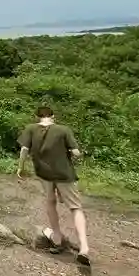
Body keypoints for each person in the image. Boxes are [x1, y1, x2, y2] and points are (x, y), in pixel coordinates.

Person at [17, 106, 91, 267]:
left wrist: (20, 167)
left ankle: (57, 238)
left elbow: (24, 149)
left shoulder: (30, 129)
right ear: (53, 116)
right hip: (64, 174)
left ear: (36, 116)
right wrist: (75, 153)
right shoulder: (63, 130)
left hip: (44, 173)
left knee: (50, 202)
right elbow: (76, 152)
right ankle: (84, 248)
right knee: (75, 208)